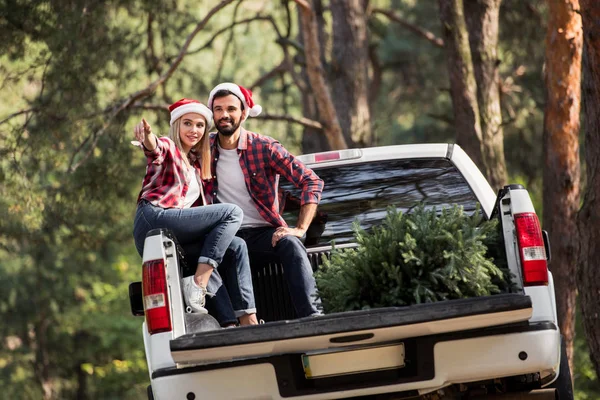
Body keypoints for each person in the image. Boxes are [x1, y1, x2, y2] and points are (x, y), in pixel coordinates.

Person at [132, 98, 258, 326]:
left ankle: (238, 321)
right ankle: (198, 283)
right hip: (153, 219)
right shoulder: (170, 148)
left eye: (200, 125)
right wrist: (148, 138)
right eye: (187, 123)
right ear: (176, 125)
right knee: (232, 213)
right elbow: (155, 149)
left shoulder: (196, 165)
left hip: (174, 232)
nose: (194, 130)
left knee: (234, 245)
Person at [205, 83, 324, 318]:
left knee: (290, 244)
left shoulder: (264, 147)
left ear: (244, 113)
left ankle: (312, 317)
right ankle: (236, 329)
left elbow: (311, 181)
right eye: (218, 109)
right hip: (226, 238)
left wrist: (300, 228)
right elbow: (170, 155)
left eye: (231, 108)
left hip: (263, 235)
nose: (224, 115)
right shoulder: (202, 149)